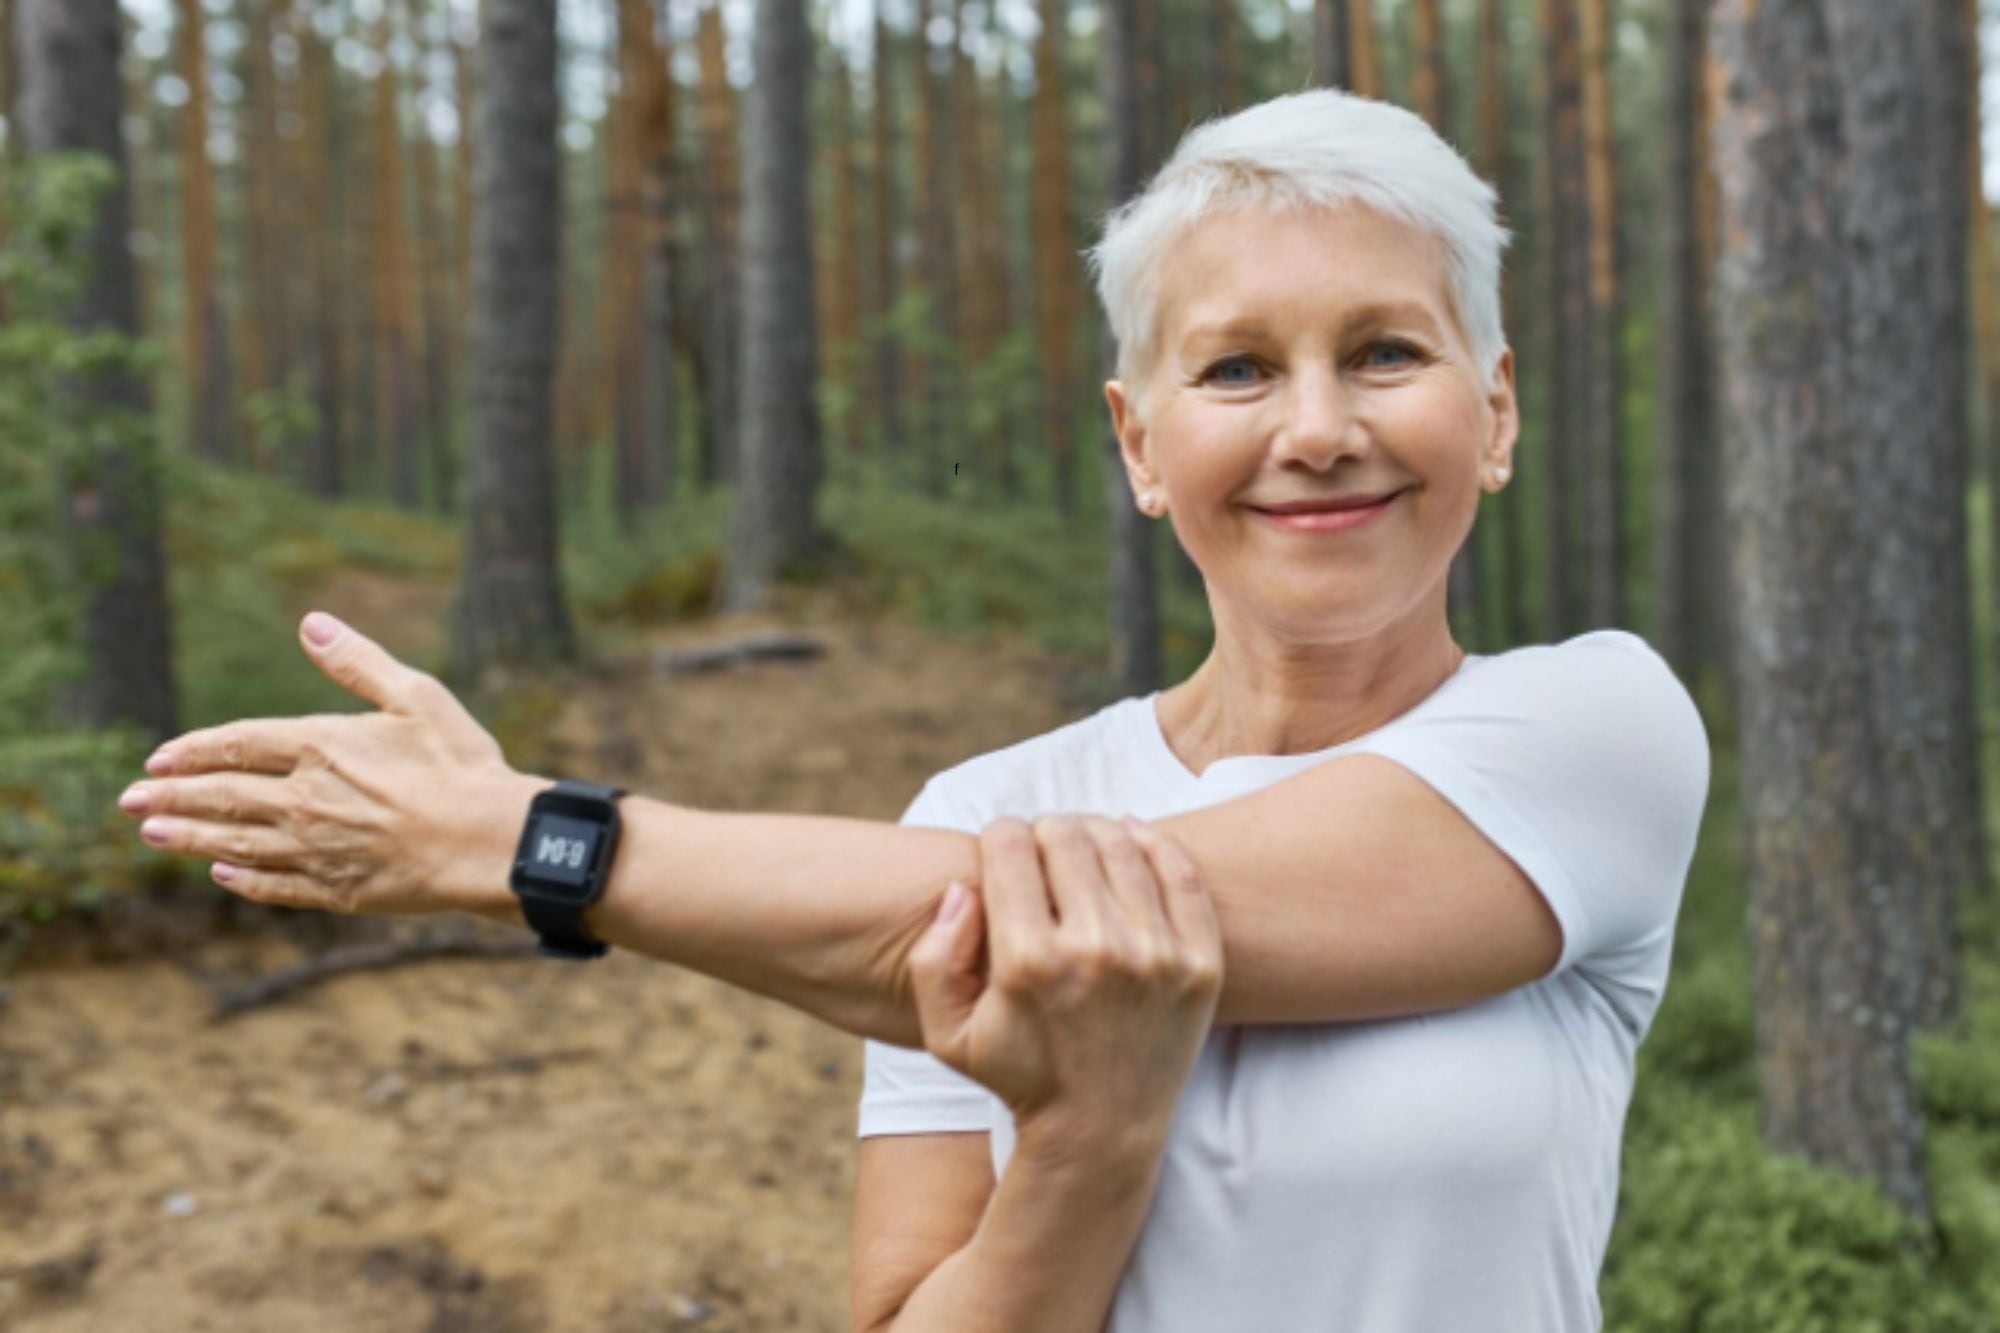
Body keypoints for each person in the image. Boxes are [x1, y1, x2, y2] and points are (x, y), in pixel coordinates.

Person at [116, 87, 1708, 1333]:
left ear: (1491, 410)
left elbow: (990, 927)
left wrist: (533, 840)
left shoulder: (1597, 733)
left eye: (1383, 353)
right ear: (1140, 444)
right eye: (1234, 370)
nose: (1316, 428)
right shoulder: (980, 801)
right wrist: (1088, 1140)